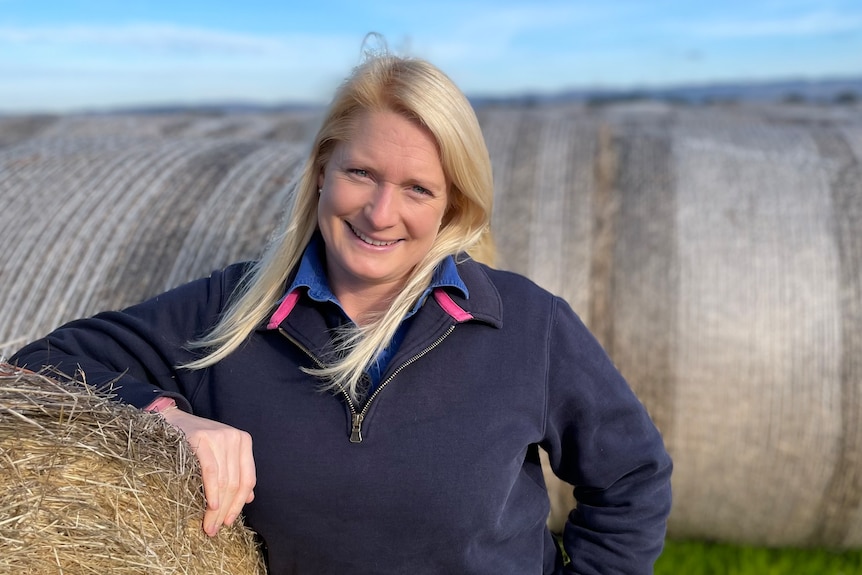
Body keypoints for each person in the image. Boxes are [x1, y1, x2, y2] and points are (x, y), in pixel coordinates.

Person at [11, 48, 672, 575]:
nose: (381, 214)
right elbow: (36, 367)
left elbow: (632, 476)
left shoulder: (527, 324)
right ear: (323, 169)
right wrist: (169, 419)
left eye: (417, 188)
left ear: (453, 205)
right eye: (361, 173)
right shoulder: (231, 309)